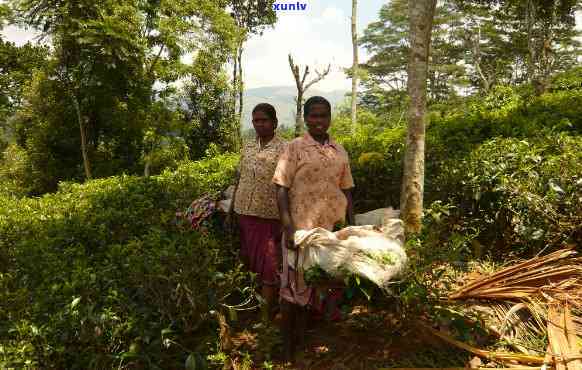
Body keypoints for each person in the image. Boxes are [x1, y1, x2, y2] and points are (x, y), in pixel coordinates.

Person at [272, 96, 355, 359]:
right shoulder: (294, 147)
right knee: (291, 288)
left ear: (330, 117)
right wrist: (288, 229)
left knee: (317, 284)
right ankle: (286, 348)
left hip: (330, 231)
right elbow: (281, 189)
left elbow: (347, 190)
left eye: (323, 115)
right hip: (300, 231)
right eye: (314, 116)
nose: (319, 121)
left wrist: (350, 228)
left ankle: (303, 340)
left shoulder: (339, 151)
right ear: (306, 118)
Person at [230, 103, 287, 317]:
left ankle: (266, 315)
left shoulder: (285, 148)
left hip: (269, 215)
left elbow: (289, 183)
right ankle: (253, 307)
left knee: (269, 264)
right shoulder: (248, 146)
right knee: (249, 260)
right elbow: (240, 177)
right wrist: (233, 206)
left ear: (274, 123)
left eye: (264, 120)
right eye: (256, 120)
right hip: (244, 211)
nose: (259, 124)